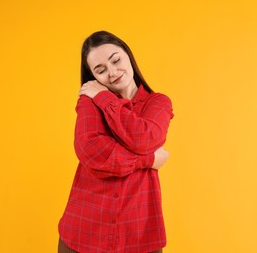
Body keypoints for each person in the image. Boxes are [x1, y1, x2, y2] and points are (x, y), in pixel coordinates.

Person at [58, 31, 173, 253]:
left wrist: (104, 97)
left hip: (140, 234)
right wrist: (148, 159)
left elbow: (144, 138)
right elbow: (92, 152)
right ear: (93, 77)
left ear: (128, 55)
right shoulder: (88, 102)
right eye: (100, 70)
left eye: (116, 60)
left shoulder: (158, 102)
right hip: (83, 232)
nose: (112, 73)